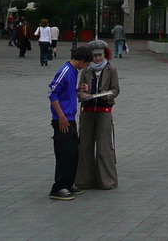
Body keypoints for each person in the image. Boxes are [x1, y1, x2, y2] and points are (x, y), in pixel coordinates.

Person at [48, 47, 93, 201]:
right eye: (86, 64)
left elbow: (66, 93)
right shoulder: (65, 71)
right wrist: (60, 116)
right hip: (62, 119)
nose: (85, 67)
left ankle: (68, 183)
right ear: (81, 61)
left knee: (73, 153)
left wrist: (78, 89)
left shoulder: (74, 72)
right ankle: (58, 187)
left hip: (70, 118)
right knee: (65, 153)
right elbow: (52, 93)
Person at [76, 40, 120, 190]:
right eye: (94, 56)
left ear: (105, 54)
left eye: (100, 55)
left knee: (104, 148)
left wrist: (107, 95)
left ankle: (106, 181)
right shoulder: (86, 70)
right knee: (85, 147)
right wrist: (82, 94)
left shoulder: (111, 69)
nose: (97, 58)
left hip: (104, 112)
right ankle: (84, 180)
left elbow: (115, 89)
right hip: (88, 111)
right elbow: (79, 90)